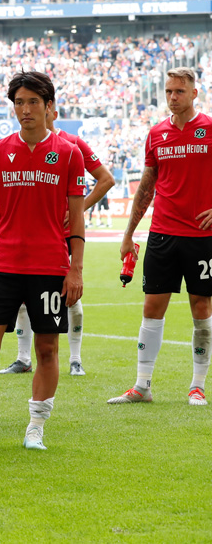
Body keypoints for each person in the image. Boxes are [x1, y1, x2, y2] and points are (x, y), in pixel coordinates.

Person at [0, 71, 85, 452]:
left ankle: (36, 427)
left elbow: (76, 218)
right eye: (19, 103)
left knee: (46, 349)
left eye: (33, 103)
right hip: (3, 266)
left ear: (49, 107)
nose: (25, 110)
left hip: (49, 266)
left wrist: (75, 269)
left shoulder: (69, 154)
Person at [109, 67, 212, 408]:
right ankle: (142, 386)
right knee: (151, 308)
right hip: (162, 233)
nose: (172, 97)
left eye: (179, 91)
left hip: (202, 236)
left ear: (194, 94)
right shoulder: (156, 134)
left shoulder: (209, 129)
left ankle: (197, 386)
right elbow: (147, 186)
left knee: (201, 307)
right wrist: (128, 234)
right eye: (168, 91)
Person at [0, 108, 115, 376]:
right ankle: (23, 358)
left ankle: (75, 359)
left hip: (60, 236)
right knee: (23, 299)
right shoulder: (17, 144)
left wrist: (78, 209)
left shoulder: (72, 143)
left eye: (38, 102)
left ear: (51, 108)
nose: (31, 109)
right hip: (26, 236)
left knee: (71, 297)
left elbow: (106, 179)